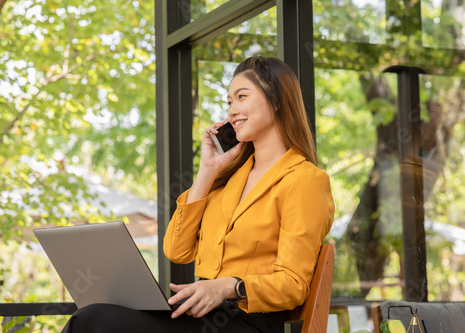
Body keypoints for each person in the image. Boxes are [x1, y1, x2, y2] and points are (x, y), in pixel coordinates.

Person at [61, 56, 335, 333]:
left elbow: (293, 284)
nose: (232, 111)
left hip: (247, 323)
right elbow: (177, 250)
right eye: (229, 102)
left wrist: (227, 286)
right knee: (93, 315)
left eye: (242, 97)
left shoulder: (305, 181)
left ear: (277, 100)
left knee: (94, 321)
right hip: (202, 316)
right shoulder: (229, 180)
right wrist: (207, 171)